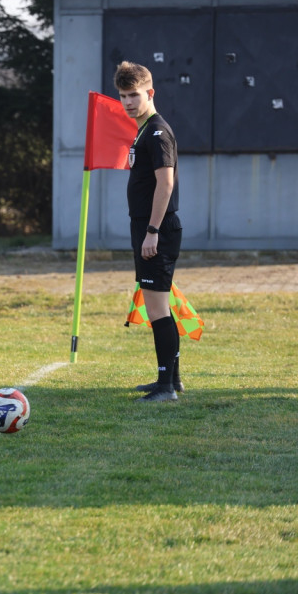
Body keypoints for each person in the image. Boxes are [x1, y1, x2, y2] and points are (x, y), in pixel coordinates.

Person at [114, 60, 183, 403]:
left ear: (150, 93)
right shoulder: (143, 130)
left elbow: (165, 183)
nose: (128, 102)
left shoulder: (157, 132)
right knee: (161, 306)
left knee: (156, 310)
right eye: (123, 96)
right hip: (146, 228)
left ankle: (165, 387)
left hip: (156, 230)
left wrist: (152, 231)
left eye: (134, 95)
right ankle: (174, 379)